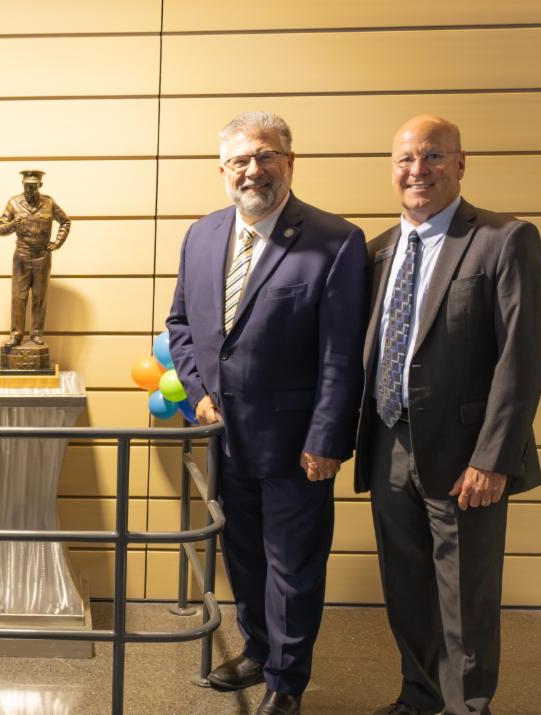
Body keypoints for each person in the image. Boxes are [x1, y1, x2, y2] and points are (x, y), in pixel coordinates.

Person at [166, 111, 368, 715]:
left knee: (293, 570)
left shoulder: (336, 240)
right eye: (239, 160)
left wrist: (327, 438)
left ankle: (287, 682)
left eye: (265, 156)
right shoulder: (202, 235)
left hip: (295, 444)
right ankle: (257, 650)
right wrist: (198, 391)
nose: (252, 170)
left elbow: (340, 353)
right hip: (222, 436)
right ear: (222, 170)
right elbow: (181, 325)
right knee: (244, 557)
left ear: (289, 162)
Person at [355, 115, 541, 715]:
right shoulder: (376, 252)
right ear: (392, 170)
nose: (418, 170)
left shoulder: (504, 239)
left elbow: (522, 359)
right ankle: (419, 696)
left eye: (433, 156)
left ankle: (468, 708)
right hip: (389, 443)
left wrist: (494, 458)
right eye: (405, 159)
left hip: (467, 455)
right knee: (406, 588)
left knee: (466, 598)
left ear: (460, 164)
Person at [0, 169, 71, 347]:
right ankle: (16, 335)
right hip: (21, 257)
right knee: (18, 297)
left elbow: (65, 221)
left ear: (40, 185)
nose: (30, 189)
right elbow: (0, 229)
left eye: (34, 186)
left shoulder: (49, 203)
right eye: (27, 186)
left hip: (42, 257)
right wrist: (12, 224)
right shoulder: (13, 203)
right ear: (22, 184)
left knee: (39, 296)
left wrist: (57, 243)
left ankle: (36, 333)